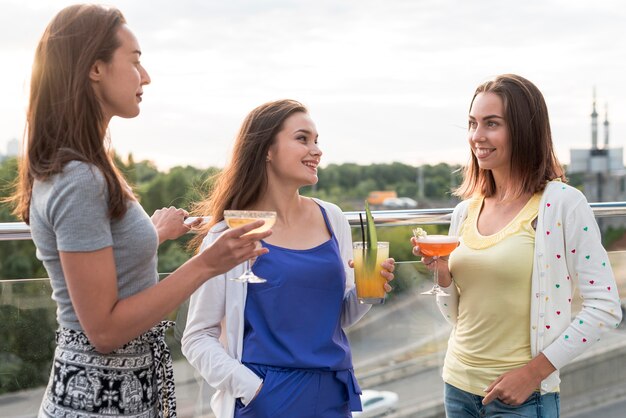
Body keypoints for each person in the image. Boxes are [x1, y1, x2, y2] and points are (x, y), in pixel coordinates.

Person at [9, 5, 271, 417]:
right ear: (95, 68)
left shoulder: (85, 168)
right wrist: (207, 264)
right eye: (134, 61)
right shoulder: (81, 178)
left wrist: (153, 233)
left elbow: (100, 259)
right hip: (98, 401)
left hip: (116, 393)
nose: (145, 76)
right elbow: (105, 331)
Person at [411, 74, 622, 417]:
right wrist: (443, 275)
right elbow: (457, 317)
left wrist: (533, 374)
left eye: (491, 124)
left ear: (524, 130)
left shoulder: (562, 204)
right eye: (472, 123)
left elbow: (605, 306)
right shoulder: (465, 210)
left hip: (523, 399)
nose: (477, 136)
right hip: (457, 387)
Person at [181, 99, 396, 418]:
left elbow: (337, 318)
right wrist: (252, 389)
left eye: (317, 140)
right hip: (266, 399)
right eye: (302, 139)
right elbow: (197, 337)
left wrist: (370, 291)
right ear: (267, 150)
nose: (317, 150)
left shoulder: (332, 218)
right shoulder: (230, 233)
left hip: (333, 394)